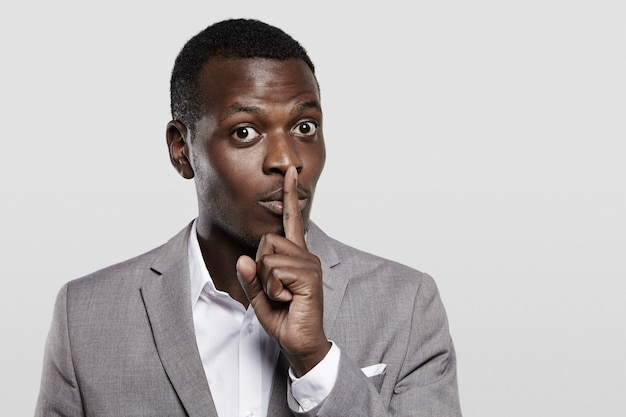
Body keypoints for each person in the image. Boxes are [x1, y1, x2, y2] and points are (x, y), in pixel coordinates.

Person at [35, 18, 462, 417]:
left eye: (304, 127)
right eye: (245, 132)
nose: (287, 160)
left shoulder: (405, 305)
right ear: (181, 149)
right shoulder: (85, 316)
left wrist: (315, 359)